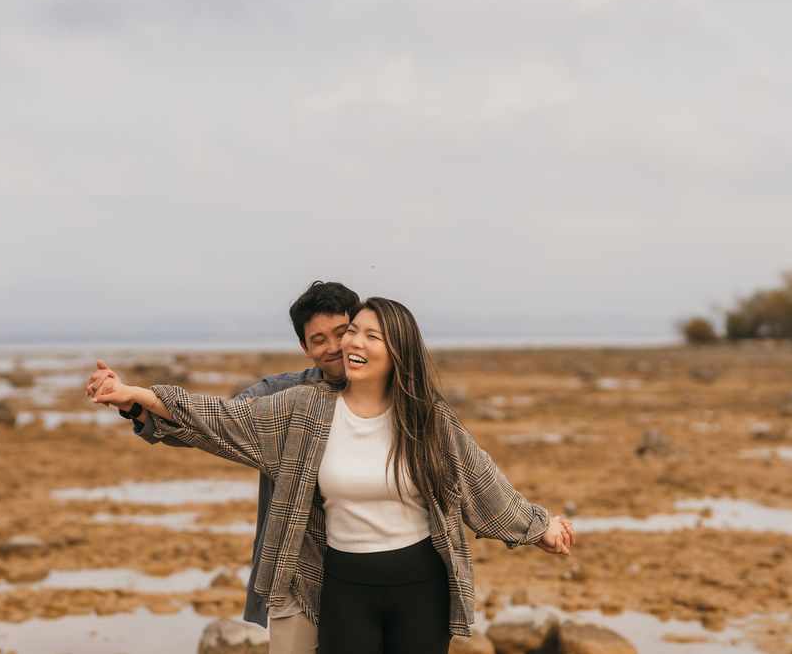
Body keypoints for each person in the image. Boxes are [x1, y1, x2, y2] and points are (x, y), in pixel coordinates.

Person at [90, 297, 575, 653]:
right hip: (343, 585)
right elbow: (219, 418)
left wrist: (540, 527)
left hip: (421, 585)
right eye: (352, 332)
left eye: (370, 334)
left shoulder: (428, 419)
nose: (352, 343)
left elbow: (482, 481)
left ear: (397, 351)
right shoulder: (301, 408)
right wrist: (137, 395)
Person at [86, 280, 359, 654]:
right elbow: (215, 423)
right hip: (296, 570)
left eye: (341, 334)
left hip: (371, 572)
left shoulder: (399, 395)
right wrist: (133, 402)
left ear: (359, 330)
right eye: (318, 339)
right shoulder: (279, 396)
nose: (332, 348)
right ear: (304, 347)